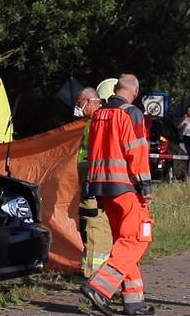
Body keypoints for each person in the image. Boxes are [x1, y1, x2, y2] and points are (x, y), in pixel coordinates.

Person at [80, 74, 155, 316]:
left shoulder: (99, 114)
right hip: (126, 187)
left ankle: (133, 301)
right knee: (137, 239)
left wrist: (93, 186)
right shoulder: (131, 113)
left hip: (103, 187)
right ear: (135, 91)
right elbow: (137, 152)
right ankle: (99, 287)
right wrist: (146, 186)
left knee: (124, 241)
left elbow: (93, 151)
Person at [75, 87, 113, 278]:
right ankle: (97, 269)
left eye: (79, 103)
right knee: (97, 224)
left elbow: (94, 154)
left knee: (92, 223)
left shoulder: (95, 122)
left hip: (92, 181)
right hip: (96, 181)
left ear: (90, 101)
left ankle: (92, 271)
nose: (77, 108)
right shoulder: (96, 121)